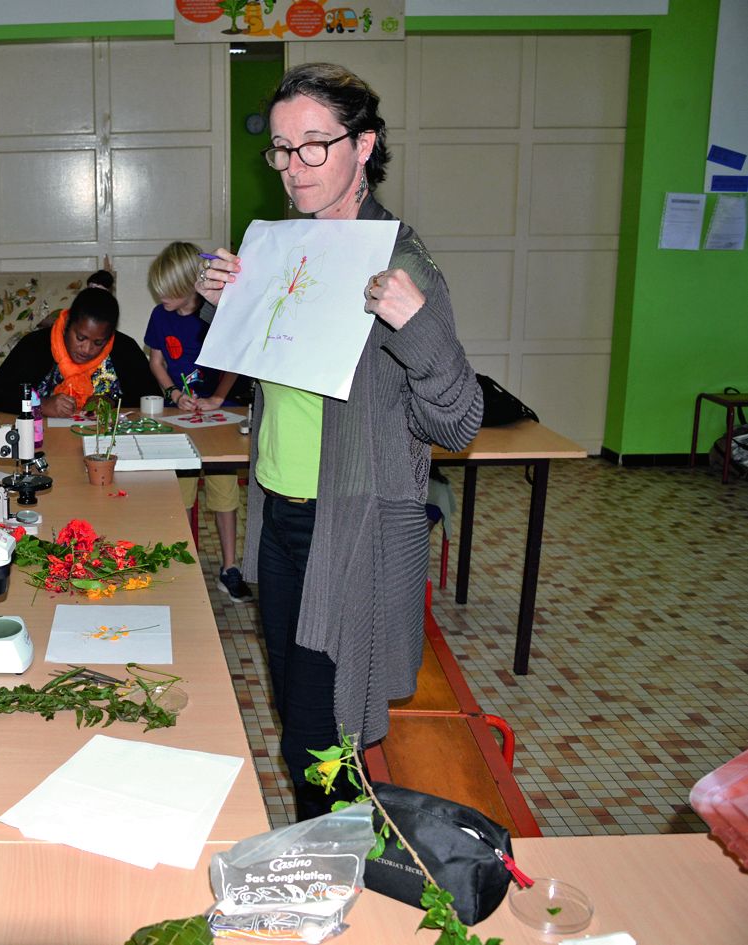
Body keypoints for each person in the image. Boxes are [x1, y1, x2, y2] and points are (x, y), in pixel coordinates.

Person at [199, 63, 482, 820]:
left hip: (347, 529)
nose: (293, 168)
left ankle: (327, 875)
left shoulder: (398, 262)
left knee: (320, 741)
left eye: (313, 147)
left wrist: (416, 323)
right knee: (302, 720)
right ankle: (330, 859)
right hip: (282, 517)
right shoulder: (284, 249)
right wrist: (226, 305)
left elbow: (455, 420)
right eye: (282, 150)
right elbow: (273, 378)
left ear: (364, 145)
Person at [144, 241, 251, 604]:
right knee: (180, 496)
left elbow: (236, 360)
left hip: (220, 415)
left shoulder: (217, 312)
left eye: (167, 294)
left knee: (224, 492)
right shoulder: (160, 316)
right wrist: (175, 395)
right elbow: (156, 362)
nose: (161, 300)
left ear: (188, 286)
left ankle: (229, 567)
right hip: (182, 416)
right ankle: (178, 566)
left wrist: (218, 398)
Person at [0, 287, 161, 416]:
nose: (87, 349)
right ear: (68, 324)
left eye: (98, 342)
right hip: (45, 443)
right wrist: (40, 405)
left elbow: (153, 397)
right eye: (80, 338)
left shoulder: (124, 349)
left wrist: (111, 402)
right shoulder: (36, 345)